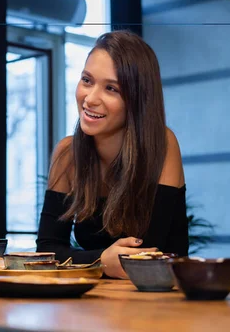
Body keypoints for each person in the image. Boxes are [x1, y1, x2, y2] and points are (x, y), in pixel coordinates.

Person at [36, 30, 188, 279]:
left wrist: (90, 262)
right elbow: (47, 251)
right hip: (96, 300)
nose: (91, 98)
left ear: (137, 100)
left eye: (111, 88)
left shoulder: (163, 143)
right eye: (87, 80)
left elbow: (148, 253)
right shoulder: (67, 153)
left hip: (161, 299)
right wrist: (100, 261)